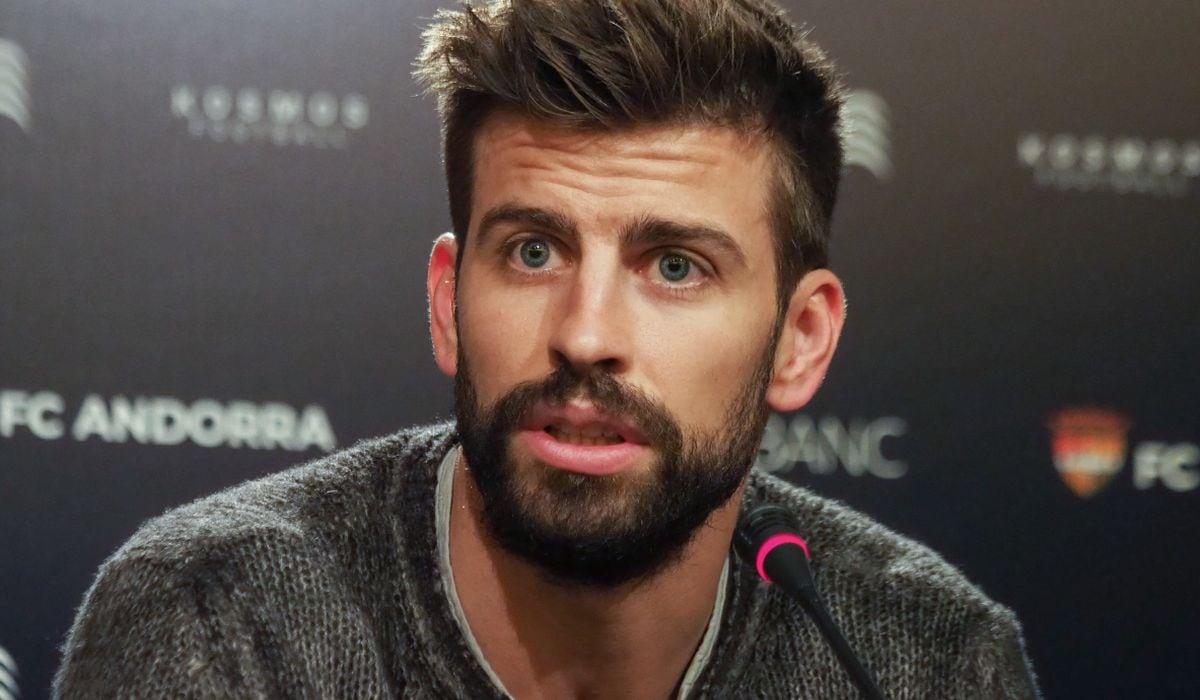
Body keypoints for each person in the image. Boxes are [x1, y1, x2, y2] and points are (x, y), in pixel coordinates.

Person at [54, 0, 1040, 697]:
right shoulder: (217, 623)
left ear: (800, 337)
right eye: (533, 251)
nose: (585, 334)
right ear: (448, 301)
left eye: (676, 267)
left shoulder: (926, 661)